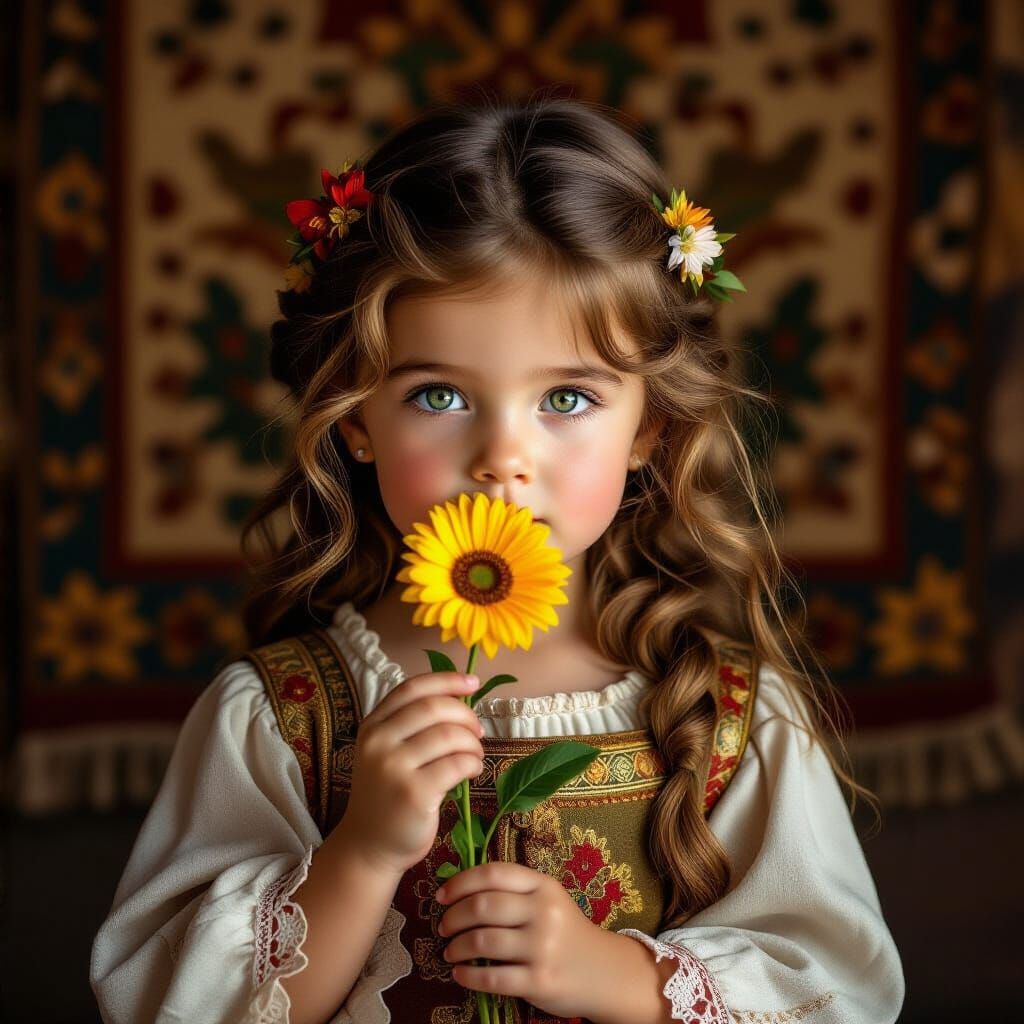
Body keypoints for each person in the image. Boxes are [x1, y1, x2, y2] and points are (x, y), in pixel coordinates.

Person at [90, 95, 905, 1024]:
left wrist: (615, 975)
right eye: (439, 395)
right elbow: (178, 1005)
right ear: (355, 419)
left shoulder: (730, 718)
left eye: (567, 399)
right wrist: (361, 852)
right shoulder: (280, 718)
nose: (501, 458)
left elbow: (836, 989)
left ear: (651, 426)